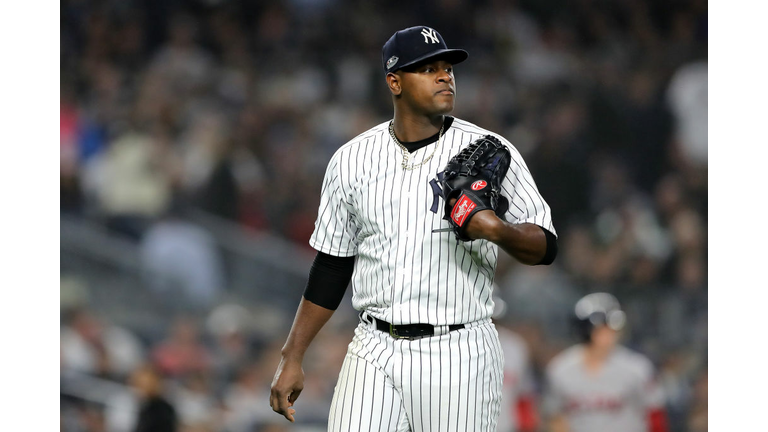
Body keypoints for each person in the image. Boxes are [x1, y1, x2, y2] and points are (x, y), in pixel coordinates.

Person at [270, 26, 557, 431]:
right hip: (373, 346)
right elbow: (332, 266)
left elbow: (546, 246)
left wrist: (496, 229)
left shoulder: (491, 150)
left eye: (447, 68)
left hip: (457, 350)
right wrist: (292, 355)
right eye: (427, 69)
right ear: (394, 82)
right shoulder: (351, 159)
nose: (444, 77)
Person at [544, 293, 668, 432]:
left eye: (612, 328)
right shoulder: (561, 369)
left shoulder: (637, 368)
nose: (610, 333)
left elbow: (655, 414)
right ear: (585, 330)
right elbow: (555, 417)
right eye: (603, 328)